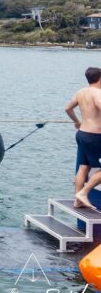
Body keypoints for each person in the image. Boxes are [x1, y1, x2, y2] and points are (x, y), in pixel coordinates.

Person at [65, 67, 101, 209]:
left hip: (82, 134)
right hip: (95, 137)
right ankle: (83, 193)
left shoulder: (81, 92)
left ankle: (78, 201)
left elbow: (68, 108)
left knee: (83, 167)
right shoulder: (98, 93)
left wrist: (76, 121)